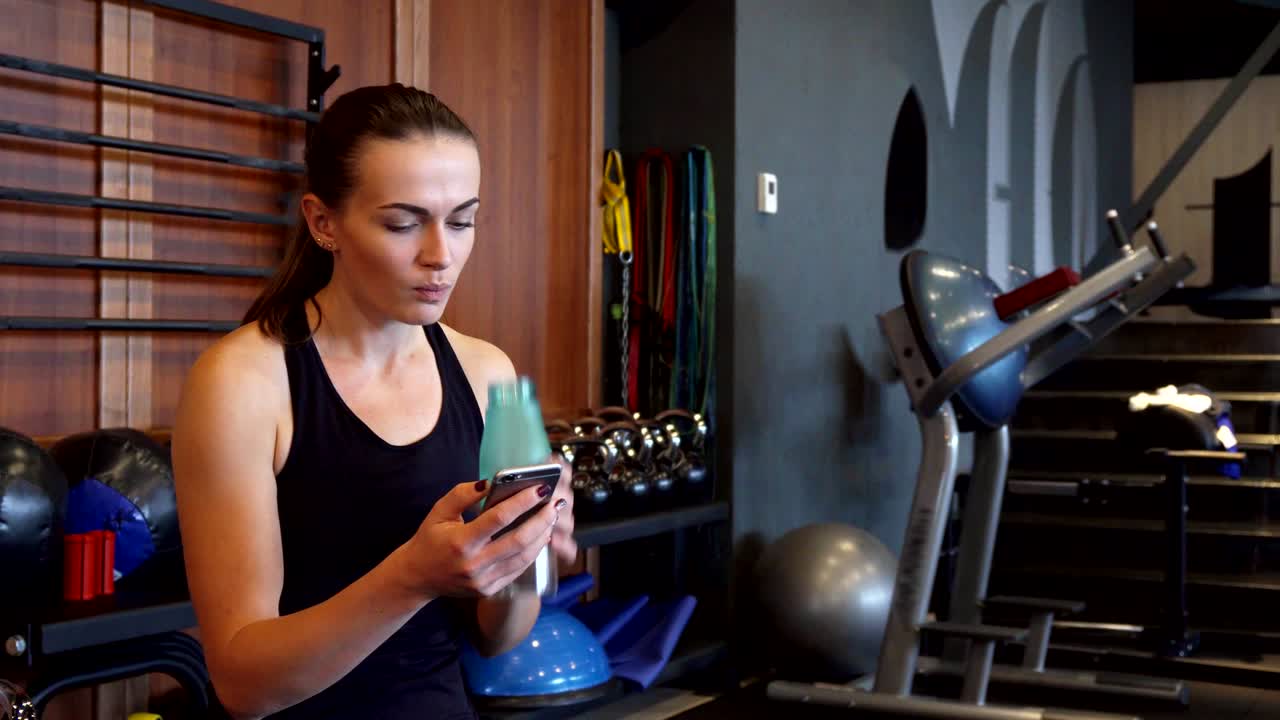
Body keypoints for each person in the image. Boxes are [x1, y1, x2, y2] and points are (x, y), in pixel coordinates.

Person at [171, 83, 577, 720]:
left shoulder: (483, 371)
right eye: (403, 223)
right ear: (323, 221)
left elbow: (497, 638)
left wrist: (522, 558)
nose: (441, 255)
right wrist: (411, 576)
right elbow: (243, 685)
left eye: (463, 220)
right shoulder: (243, 383)